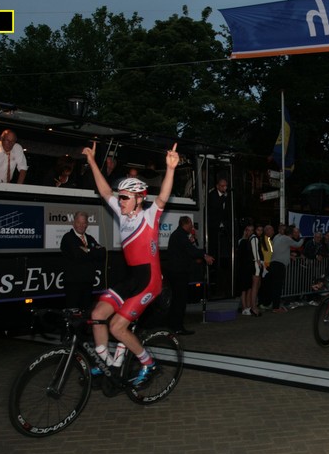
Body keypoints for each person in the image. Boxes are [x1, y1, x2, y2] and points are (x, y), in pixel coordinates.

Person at [80, 140, 179, 386]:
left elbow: (163, 197)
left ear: (139, 199)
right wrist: (92, 161)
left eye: (125, 197)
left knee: (117, 327)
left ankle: (149, 363)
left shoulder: (149, 216)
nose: (120, 201)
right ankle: (106, 363)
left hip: (149, 281)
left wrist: (170, 169)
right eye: (120, 197)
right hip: (131, 277)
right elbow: (105, 192)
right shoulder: (123, 213)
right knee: (97, 315)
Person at [165, 215, 214, 335]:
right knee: (180, 300)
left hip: (175, 272)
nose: (192, 226)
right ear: (186, 224)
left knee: (177, 299)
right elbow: (191, 251)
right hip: (178, 273)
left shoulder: (179, 235)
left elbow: (185, 250)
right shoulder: (180, 235)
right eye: (190, 224)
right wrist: (204, 255)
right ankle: (177, 327)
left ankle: (173, 325)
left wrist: (191, 242)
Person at [59, 211, 106, 312]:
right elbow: (77, 256)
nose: (81, 225)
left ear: (87, 224)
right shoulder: (68, 238)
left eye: (83, 223)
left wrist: (88, 250)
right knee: (73, 312)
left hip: (88, 282)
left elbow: (102, 253)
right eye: (78, 222)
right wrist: (93, 252)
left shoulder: (90, 238)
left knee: (86, 311)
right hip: (73, 283)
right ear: (74, 223)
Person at [235, 223, 261, 316]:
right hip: (244, 267)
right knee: (244, 288)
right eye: (248, 230)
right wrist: (257, 260)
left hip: (248, 267)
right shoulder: (243, 241)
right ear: (245, 231)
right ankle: (245, 307)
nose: (249, 232)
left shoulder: (248, 240)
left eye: (251, 230)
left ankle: (248, 307)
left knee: (249, 287)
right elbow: (244, 256)